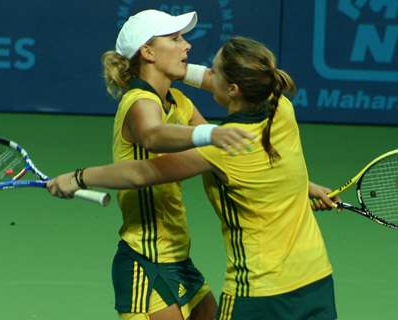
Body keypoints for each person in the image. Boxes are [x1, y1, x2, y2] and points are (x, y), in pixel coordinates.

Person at [48, 35, 339, 319]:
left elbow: (141, 171)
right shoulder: (281, 107)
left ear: (234, 88)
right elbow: (266, 157)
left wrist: (78, 177)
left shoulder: (219, 147)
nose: (191, 51)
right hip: (316, 277)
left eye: (213, 70)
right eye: (175, 39)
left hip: (258, 289)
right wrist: (304, 186)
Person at [70, 9, 255, 320]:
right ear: (148, 52)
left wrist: (296, 188)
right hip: (145, 259)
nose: (187, 46)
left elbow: (222, 156)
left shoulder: (179, 103)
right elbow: (154, 135)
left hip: (177, 256)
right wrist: (212, 132)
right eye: (175, 39)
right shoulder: (139, 103)